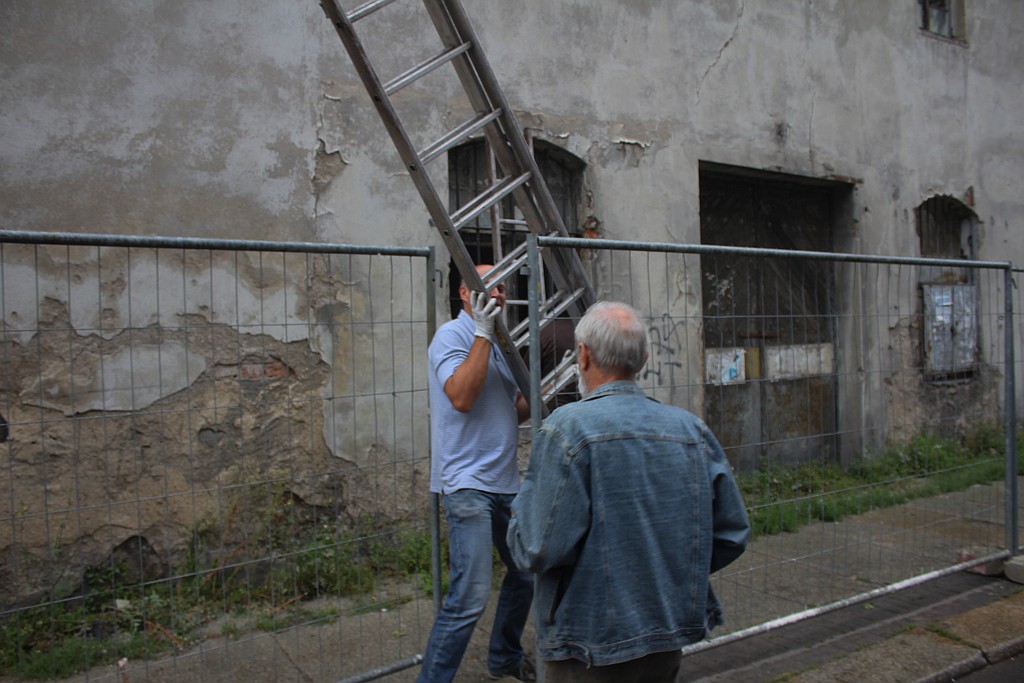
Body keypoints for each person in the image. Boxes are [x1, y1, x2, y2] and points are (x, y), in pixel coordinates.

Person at [507, 301, 750, 682]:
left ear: (582, 355)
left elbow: (535, 547)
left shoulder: (567, 430)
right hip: (665, 637)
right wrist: (667, 574)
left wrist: (519, 512)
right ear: (645, 358)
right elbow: (731, 533)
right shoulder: (691, 430)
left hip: (586, 647)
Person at [417, 264, 536, 683]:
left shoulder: (502, 342)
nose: (498, 293)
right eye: (488, 286)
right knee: (469, 597)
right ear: (465, 294)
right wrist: (483, 333)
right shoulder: (450, 337)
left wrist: (551, 391)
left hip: (505, 481)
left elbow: (513, 409)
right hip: (466, 483)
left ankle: (503, 658)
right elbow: (463, 398)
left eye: (502, 286)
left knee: (525, 575)